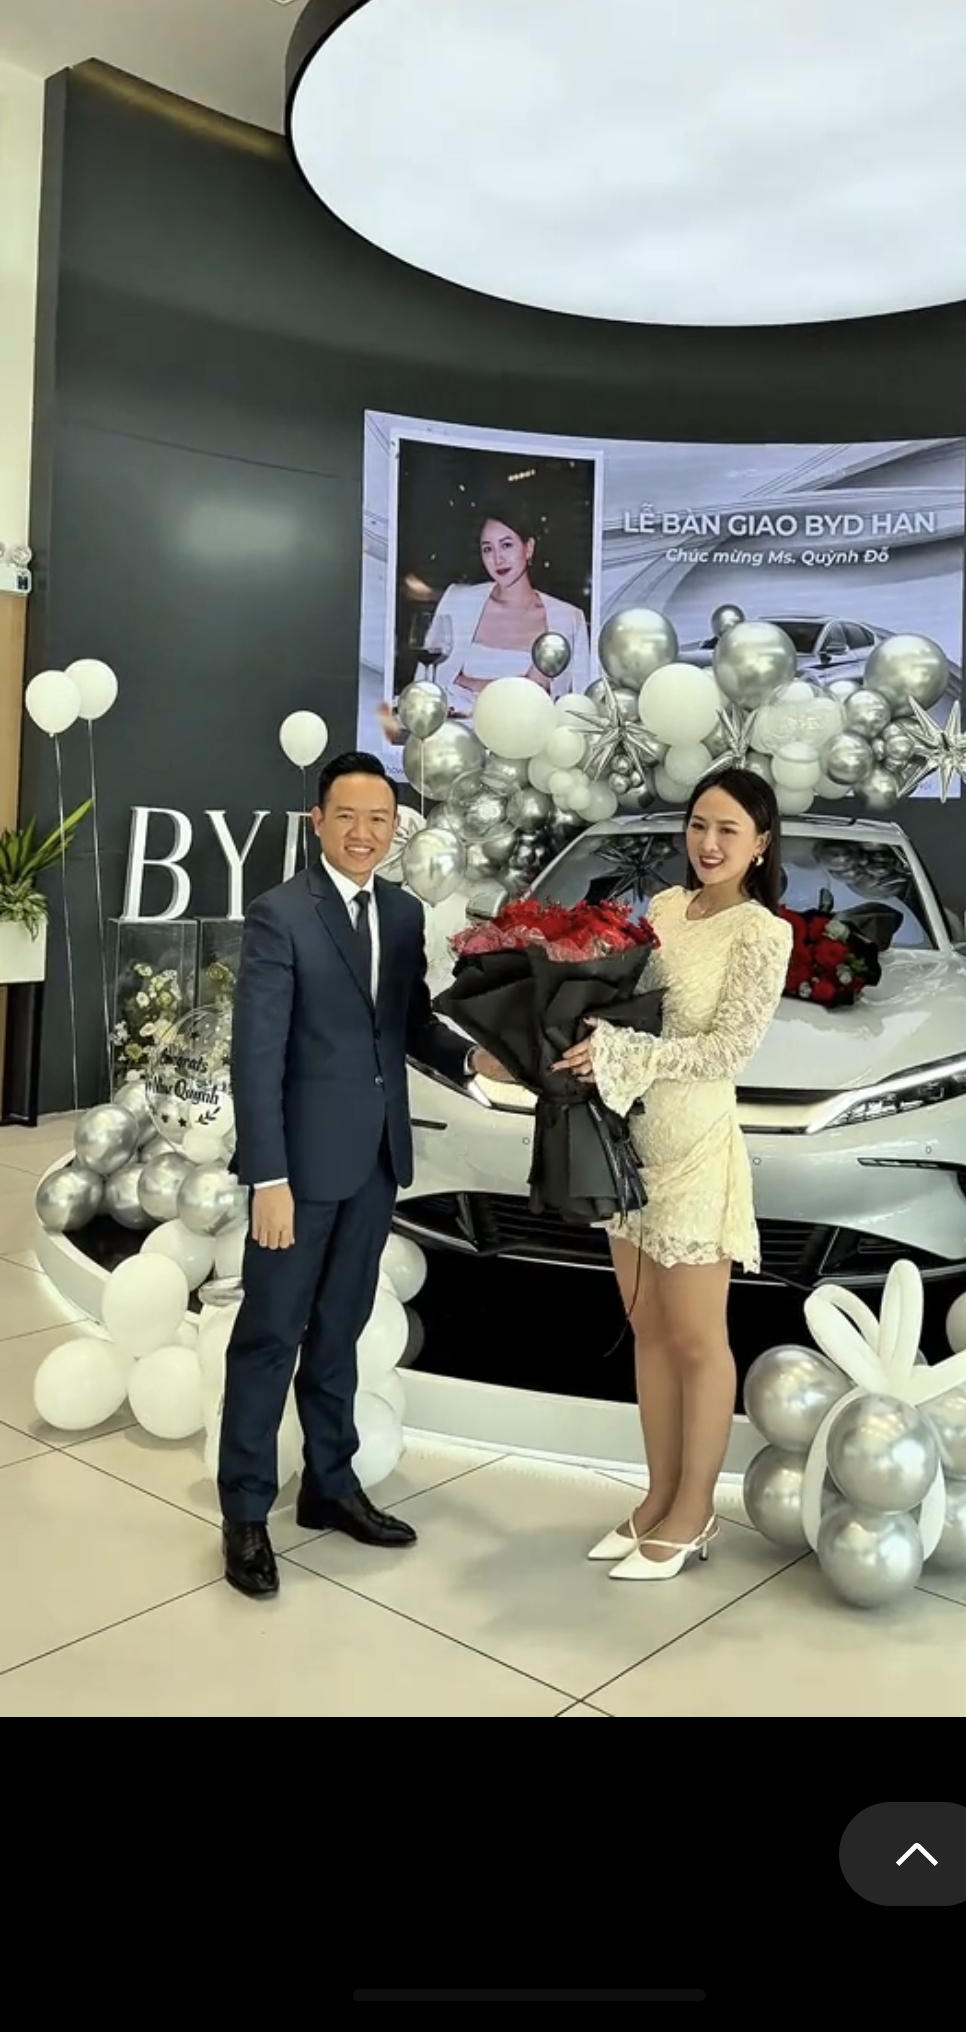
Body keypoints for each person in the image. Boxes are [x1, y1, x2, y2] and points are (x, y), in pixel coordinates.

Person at [218, 749, 506, 1600]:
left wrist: (478, 1059)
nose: (363, 832)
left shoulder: (403, 914)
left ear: (394, 829)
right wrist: (268, 1178)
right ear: (318, 822)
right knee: (270, 1336)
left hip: (376, 1160)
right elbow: (256, 1056)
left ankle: (330, 1485)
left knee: (340, 1328)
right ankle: (244, 1513)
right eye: (347, 816)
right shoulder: (280, 914)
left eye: (379, 819)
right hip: (299, 1172)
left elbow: (408, 1026)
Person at [553, 767, 792, 1584]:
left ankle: (696, 1509)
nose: (709, 843)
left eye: (729, 830)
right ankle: (658, 1495)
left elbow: (729, 1051)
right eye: (699, 825)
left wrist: (622, 1053)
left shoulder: (763, 933)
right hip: (634, 1140)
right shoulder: (662, 909)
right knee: (647, 1327)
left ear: (760, 844)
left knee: (696, 1338)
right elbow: (628, 1008)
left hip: (695, 1147)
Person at [417, 499, 591, 714]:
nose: (497, 559)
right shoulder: (459, 601)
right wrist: (521, 684)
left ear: (528, 548)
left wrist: (467, 682)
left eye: (506, 545)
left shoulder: (567, 618)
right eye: (487, 549)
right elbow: (425, 684)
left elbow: (580, 705)